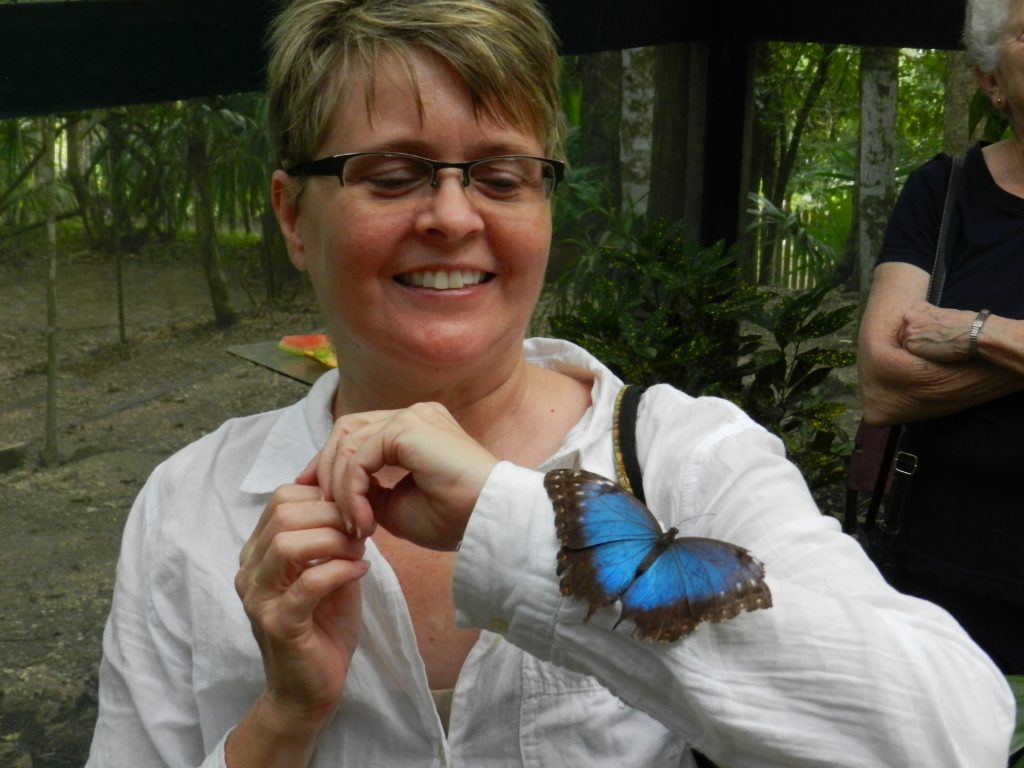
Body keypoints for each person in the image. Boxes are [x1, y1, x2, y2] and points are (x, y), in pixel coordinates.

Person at [88, 1, 1013, 766]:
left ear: (544, 204)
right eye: (393, 174)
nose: (452, 216)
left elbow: (951, 734)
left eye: (500, 175)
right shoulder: (192, 508)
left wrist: (518, 527)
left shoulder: (689, 458)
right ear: (294, 215)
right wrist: (281, 722)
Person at [858, 0, 1024, 675]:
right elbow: (880, 381)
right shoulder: (943, 191)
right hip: (944, 579)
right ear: (992, 80)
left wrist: (975, 330)